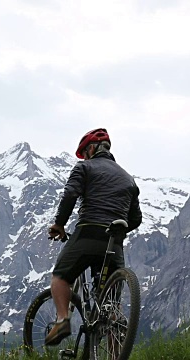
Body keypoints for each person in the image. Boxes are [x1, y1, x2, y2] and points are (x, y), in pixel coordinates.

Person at [45, 128, 142, 346]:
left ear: (91, 149)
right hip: (114, 242)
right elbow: (136, 219)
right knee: (111, 309)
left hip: (88, 233)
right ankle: (117, 351)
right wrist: (119, 230)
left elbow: (70, 194)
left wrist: (59, 224)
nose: (84, 156)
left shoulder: (85, 167)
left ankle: (62, 321)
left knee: (60, 278)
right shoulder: (129, 179)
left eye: (84, 152)